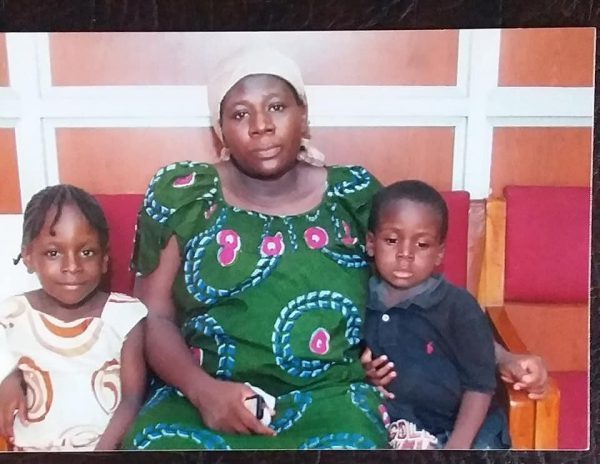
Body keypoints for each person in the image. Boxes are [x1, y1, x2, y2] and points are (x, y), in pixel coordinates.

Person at [122, 47, 548, 450]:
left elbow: (427, 296)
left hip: (333, 399)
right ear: (219, 130)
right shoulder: (184, 194)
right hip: (202, 396)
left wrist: (501, 357)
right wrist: (203, 392)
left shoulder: (353, 195)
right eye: (239, 114)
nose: (261, 125)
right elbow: (152, 314)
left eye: (277, 107)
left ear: (303, 115)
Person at [363, 180, 509, 449]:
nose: (405, 254)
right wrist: (366, 375)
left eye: (422, 245)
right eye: (392, 240)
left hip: (466, 431)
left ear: (439, 253)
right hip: (400, 429)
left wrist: (457, 447)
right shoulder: (361, 301)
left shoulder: (458, 307)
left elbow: (480, 385)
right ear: (371, 243)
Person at [0, 185, 147, 451]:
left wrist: (102, 454)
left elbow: (132, 397)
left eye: (87, 252)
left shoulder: (125, 316)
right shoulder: (11, 315)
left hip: (104, 450)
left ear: (104, 258)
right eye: (53, 253)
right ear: (28, 256)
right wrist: (8, 379)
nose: (72, 266)